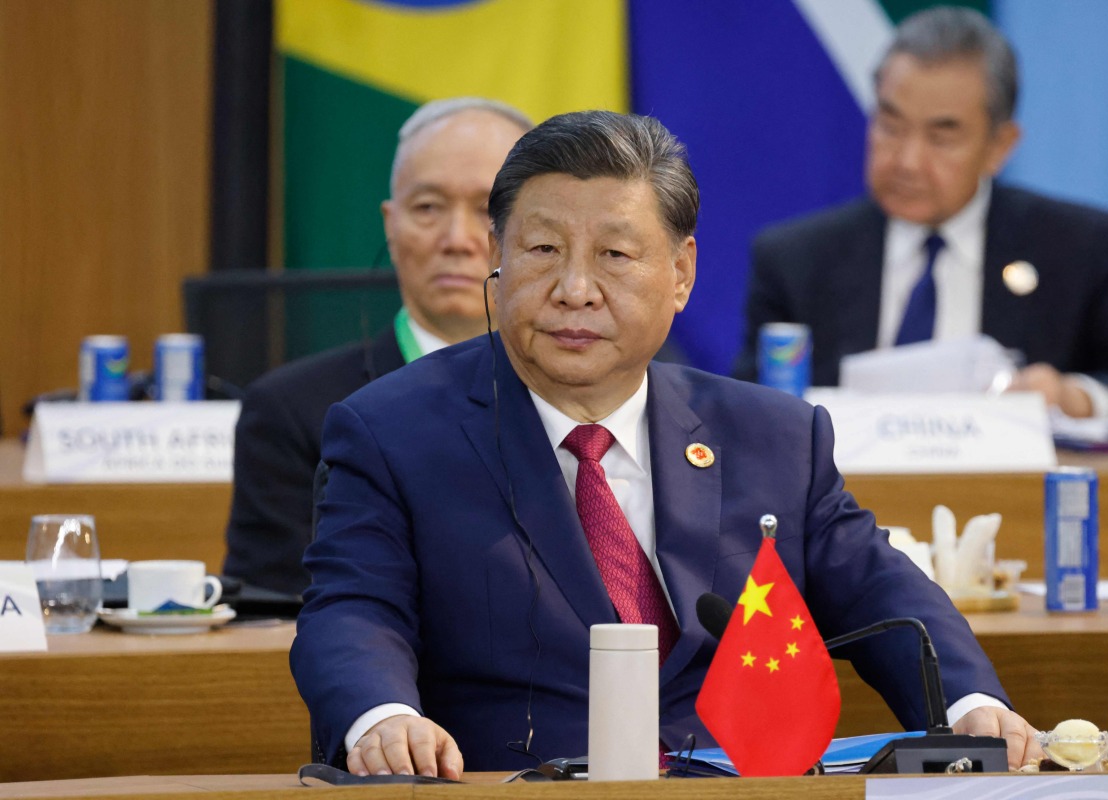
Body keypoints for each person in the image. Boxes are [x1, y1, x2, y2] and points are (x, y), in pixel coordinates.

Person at [291, 110, 1042, 779]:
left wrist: (969, 703)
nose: (574, 288)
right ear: (499, 257)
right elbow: (354, 609)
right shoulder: (392, 431)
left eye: (615, 256)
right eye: (544, 249)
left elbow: (882, 590)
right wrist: (382, 718)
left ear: (680, 273)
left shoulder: (773, 436)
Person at [734, 6, 1108, 418]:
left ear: (1000, 146)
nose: (907, 161)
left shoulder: (1077, 249)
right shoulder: (797, 261)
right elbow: (745, 411)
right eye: (891, 125)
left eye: (942, 136)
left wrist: (1076, 398)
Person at [222, 98, 532, 595]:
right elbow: (276, 613)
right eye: (428, 207)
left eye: (488, 210)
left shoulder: (588, 393)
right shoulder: (293, 412)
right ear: (391, 224)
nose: (457, 238)